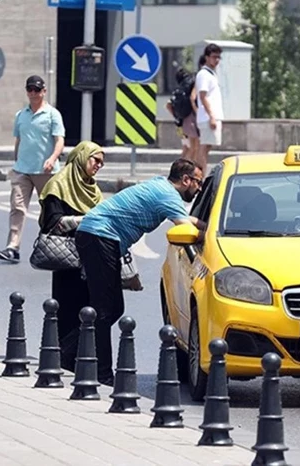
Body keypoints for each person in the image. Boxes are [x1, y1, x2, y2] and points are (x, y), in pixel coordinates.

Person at [74, 158, 207, 385]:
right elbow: (185, 227)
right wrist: (211, 236)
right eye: (198, 182)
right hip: (100, 236)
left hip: (99, 237)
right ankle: (100, 372)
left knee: (111, 308)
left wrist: (210, 225)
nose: (200, 188)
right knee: (105, 309)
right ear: (186, 180)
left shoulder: (163, 188)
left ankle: (69, 355)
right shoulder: (167, 195)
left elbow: (190, 220)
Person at [36, 141, 105, 372]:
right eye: (95, 160)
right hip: (66, 259)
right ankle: (63, 359)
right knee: (66, 309)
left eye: (101, 163)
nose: (98, 166)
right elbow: (52, 222)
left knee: (90, 309)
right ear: (81, 157)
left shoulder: (93, 189)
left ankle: (82, 358)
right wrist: (82, 221)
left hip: (90, 257)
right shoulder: (58, 185)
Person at [0, 75, 66, 263]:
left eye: (37, 89)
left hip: (46, 172)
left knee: (50, 210)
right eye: (30, 89)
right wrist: (16, 160)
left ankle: (51, 245)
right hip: (23, 170)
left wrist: (52, 158)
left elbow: (59, 140)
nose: (33, 93)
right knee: (17, 207)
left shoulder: (52, 115)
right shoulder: (21, 115)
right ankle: (13, 247)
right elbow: (19, 140)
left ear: (43, 91)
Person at [195, 44, 224, 173]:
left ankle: (201, 173)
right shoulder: (204, 74)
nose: (216, 60)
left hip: (212, 116)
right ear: (207, 57)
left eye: (218, 57)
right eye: (214, 57)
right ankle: (200, 175)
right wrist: (211, 116)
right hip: (208, 117)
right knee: (204, 146)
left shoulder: (211, 74)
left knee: (207, 147)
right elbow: (202, 96)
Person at [166, 68, 198, 160]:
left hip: (178, 124)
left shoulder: (178, 90)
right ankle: (185, 167)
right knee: (193, 148)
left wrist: (176, 115)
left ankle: (180, 165)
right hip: (188, 123)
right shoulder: (188, 89)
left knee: (185, 147)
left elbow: (168, 105)